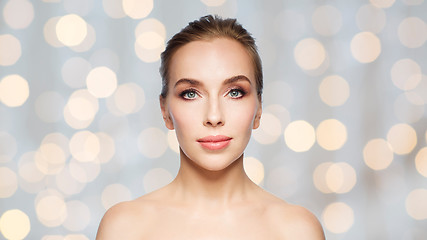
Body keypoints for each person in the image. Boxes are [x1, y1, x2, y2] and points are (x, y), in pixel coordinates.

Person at [96, 15, 325, 239]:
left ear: (259, 108)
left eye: (235, 92)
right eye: (190, 94)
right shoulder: (124, 228)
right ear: (165, 111)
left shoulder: (296, 230)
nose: (214, 116)